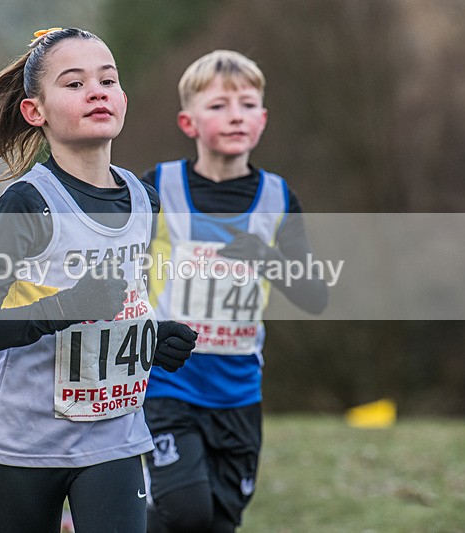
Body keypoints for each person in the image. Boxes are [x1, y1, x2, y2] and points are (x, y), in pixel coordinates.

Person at [0, 27, 198, 533]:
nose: (96, 92)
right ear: (36, 111)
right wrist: (64, 307)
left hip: (114, 438)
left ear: (123, 99)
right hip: (24, 446)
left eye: (108, 81)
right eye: (74, 84)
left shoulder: (146, 202)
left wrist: (152, 340)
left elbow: (120, 307)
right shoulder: (28, 204)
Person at [141, 50, 328, 532]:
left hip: (239, 391)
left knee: (219, 524)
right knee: (187, 512)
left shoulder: (278, 197)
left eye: (247, 105)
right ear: (188, 122)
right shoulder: (157, 187)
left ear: (262, 119)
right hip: (169, 384)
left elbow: (314, 296)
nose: (236, 116)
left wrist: (266, 258)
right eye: (219, 106)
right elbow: (118, 268)